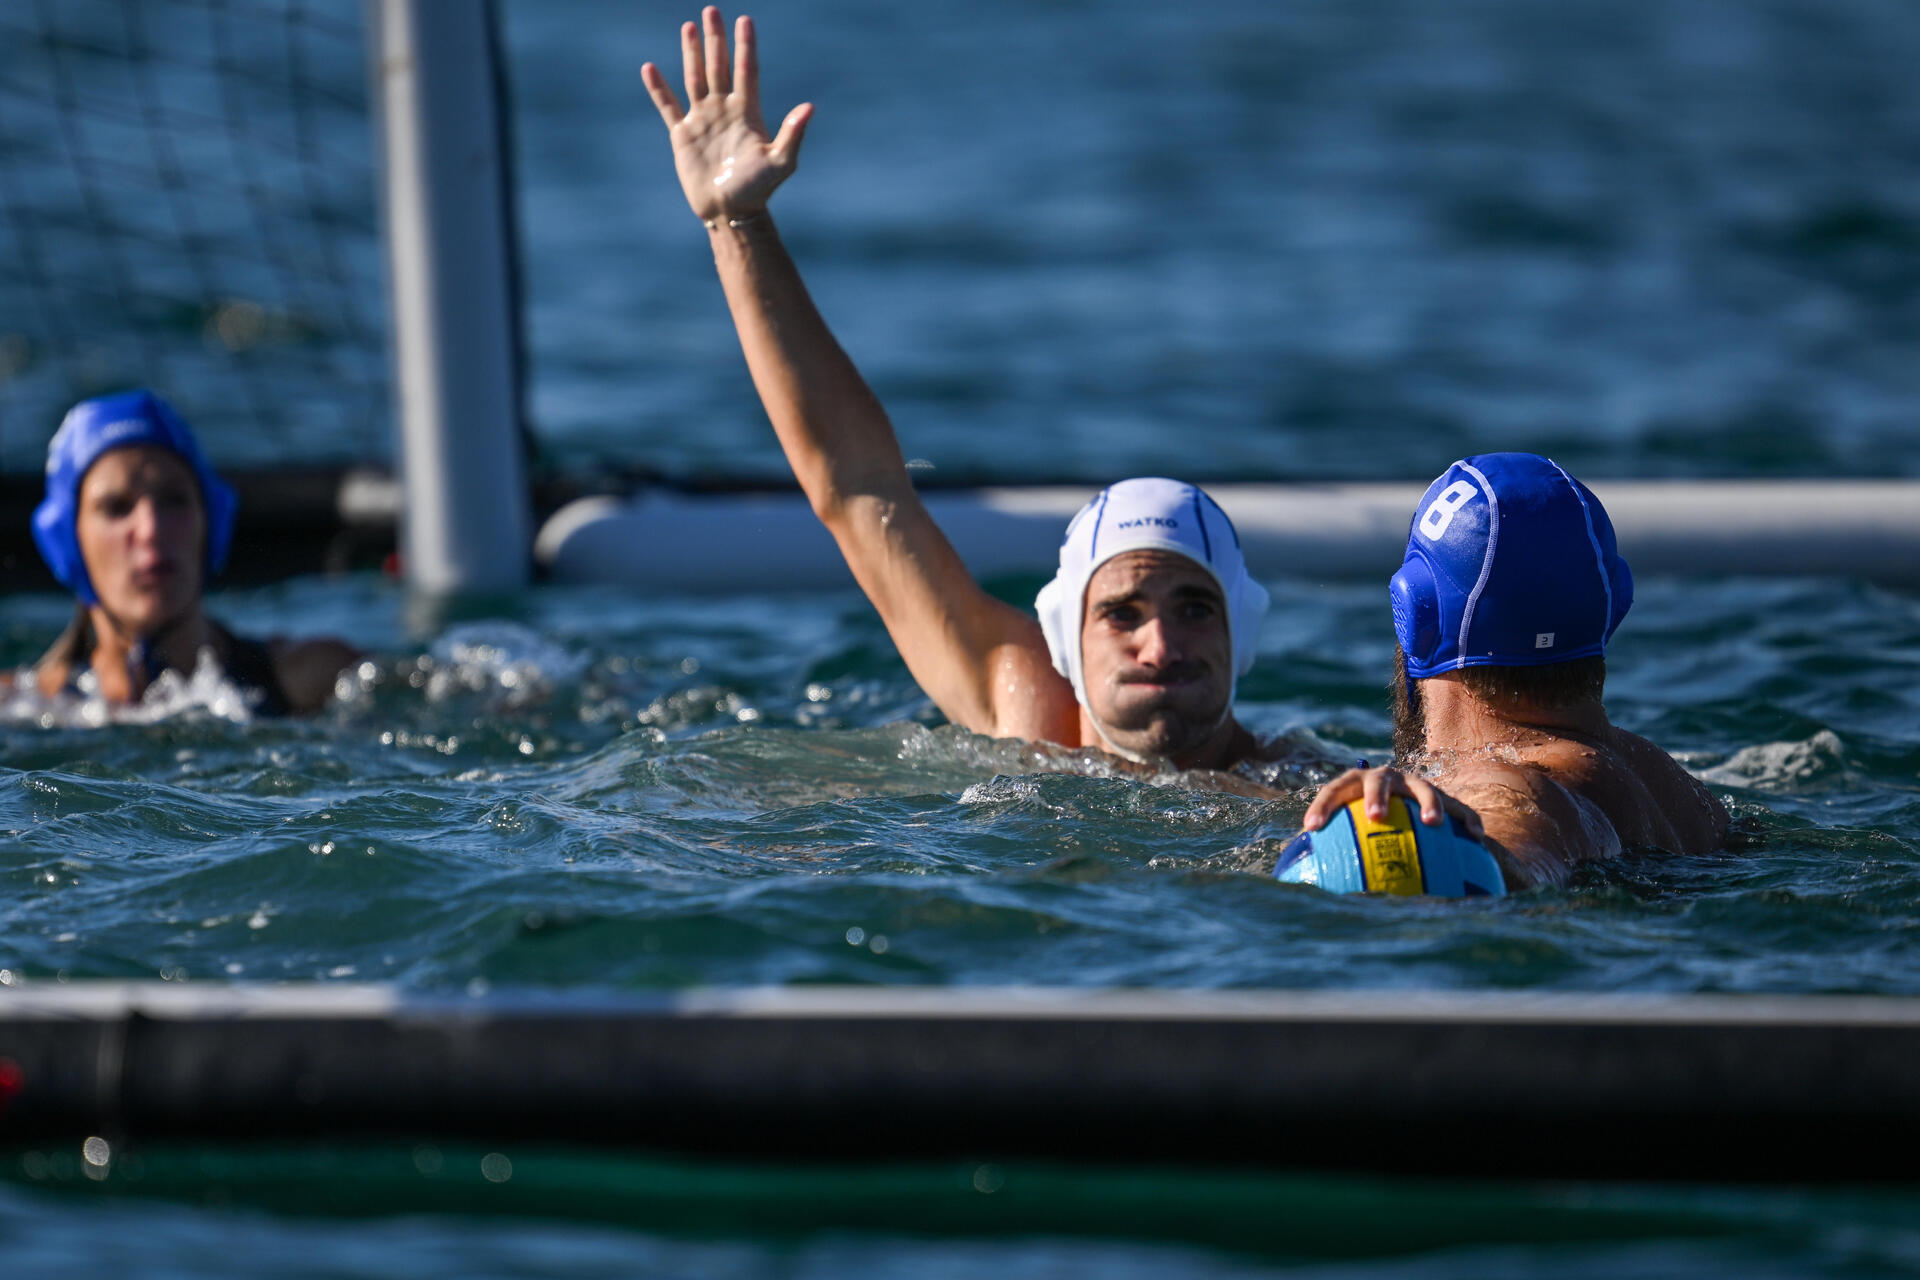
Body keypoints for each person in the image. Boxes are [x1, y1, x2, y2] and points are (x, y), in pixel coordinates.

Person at [643, 9, 1277, 772]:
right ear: (1067, 638)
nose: (1161, 645)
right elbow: (858, 487)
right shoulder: (1024, 708)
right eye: (1121, 613)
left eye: (1195, 608)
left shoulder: (1315, 797)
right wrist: (737, 222)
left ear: (1242, 629)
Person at [1302, 453, 1728, 888]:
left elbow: (1521, 859)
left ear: (1414, 618)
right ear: (1614, 606)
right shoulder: (1684, 797)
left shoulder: (1504, 784)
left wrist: (1440, 844)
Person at [7, 388, 357, 715]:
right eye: (117, 507)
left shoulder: (317, 679)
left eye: (174, 500)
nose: (151, 530)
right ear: (69, 541)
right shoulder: (22, 708)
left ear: (210, 522)